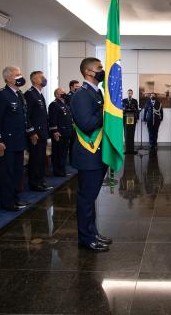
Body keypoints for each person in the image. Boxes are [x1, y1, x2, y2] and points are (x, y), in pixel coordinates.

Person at [71, 57, 112, 252]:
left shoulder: (97, 92)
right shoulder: (81, 95)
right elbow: (87, 124)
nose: (102, 70)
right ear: (88, 72)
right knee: (86, 199)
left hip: (98, 153)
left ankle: (92, 232)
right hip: (88, 153)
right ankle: (85, 238)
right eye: (99, 68)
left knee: (91, 197)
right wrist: (105, 112)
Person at [0, 66, 36, 211]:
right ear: (8, 78)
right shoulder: (1, 95)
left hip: (19, 141)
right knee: (6, 173)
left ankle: (15, 198)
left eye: (20, 73)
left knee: (17, 173)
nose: (20, 77)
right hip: (6, 143)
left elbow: (24, 117)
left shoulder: (19, 94)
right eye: (17, 75)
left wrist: (31, 132)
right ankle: (7, 202)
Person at [24, 71, 53, 192]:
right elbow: (27, 116)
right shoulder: (30, 94)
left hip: (42, 133)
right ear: (34, 80)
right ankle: (34, 184)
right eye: (42, 77)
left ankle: (41, 181)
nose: (44, 79)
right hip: (35, 134)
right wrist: (31, 132)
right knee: (35, 160)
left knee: (40, 159)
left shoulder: (39, 94)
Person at [48, 87, 73, 177]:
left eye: (64, 92)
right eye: (62, 92)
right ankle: (58, 171)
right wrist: (55, 131)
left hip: (66, 132)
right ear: (57, 95)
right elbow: (52, 119)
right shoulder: (54, 105)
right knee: (58, 153)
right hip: (59, 133)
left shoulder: (65, 104)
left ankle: (62, 170)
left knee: (63, 153)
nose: (64, 94)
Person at [122, 89, 139, 154]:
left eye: (131, 93)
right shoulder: (123, 101)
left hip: (132, 118)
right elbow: (121, 109)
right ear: (127, 93)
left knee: (132, 133)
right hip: (125, 118)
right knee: (126, 133)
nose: (129, 94)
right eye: (128, 93)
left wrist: (137, 118)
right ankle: (127, 149)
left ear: (132, 93)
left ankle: (131, 149)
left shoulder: (135, 101)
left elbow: (137, 110)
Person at [67, 79, 80, 159]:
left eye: (79, 86)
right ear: (71, 87)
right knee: (73, 143)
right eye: (76, 86)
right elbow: (69, 111)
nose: (78, 88)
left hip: (78, 122)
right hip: (72, 123)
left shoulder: (77, 95)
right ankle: (72, 161)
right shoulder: (69, 96)